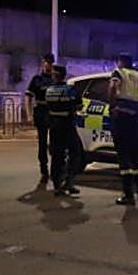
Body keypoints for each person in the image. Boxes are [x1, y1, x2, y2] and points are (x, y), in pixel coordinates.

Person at [108, 54, 138, 205]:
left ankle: (128, 195)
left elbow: (113, 88)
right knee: (136, 156)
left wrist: (112, 105)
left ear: (121, 62)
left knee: (123, 156)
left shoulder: (119, 73)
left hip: (122, 117)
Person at [43, 65, 82, 196]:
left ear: (55, 76)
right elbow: (78, 105)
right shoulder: (70, 90)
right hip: (68, 125)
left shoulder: (49, 91)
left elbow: (48, 107)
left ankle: (57, 185)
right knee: (75, 152)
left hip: (54, 126)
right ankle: (69, 181)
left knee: (56, 156)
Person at [25, 53, 56, 183]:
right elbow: (28, 97)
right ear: (43, 63)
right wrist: (29, 114)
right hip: (41, 112)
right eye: (47, 62)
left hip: (54, 113)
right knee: (42, 143)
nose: (48, 64)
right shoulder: (37, 79)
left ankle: (56, 169)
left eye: (50, 62)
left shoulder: (56, 79)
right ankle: (44, 170)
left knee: (55, 143)